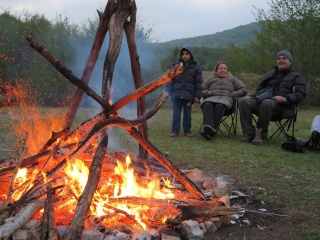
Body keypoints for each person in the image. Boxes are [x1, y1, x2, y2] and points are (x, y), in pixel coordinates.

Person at [238, 50, 306, 145]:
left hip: (281, 107)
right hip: (262, 103)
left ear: (290, 62)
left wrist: (284, 98)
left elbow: (300, 95)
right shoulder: (269, 74)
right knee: (243, 101)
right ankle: (248, 133)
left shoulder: (297, 76)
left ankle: (260, 135)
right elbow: (260, 90)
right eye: (279, 58)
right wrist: (252, 96)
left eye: (284, 58)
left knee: (267, 102)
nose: (281, 60)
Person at [200, 62, 247, 139]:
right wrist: (207, 92)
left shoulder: (232, 79)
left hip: (226, 101)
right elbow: (200, 90)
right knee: (207, 104)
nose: (223, 70)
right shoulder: (211, 79)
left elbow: (243, 90)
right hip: (212, 98)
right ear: (216, 70)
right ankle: (209, 129)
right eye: (221, 68)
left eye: (225, 69)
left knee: (220, 105)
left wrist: (233, 94)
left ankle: (210, 130)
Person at [165, 45, 202, 137]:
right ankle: (174, 131)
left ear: (191, 55)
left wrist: (197, 95)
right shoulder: (176, 66)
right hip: (177, 94)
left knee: (187, 115)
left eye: (187, 54)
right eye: (183, 54)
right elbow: (170, 80)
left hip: (189, 95)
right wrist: (167, 93)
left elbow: (198, 83)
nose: (184, 56)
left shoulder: (196, 67)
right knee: (176, 114)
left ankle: (187, 131)